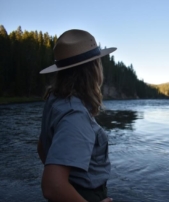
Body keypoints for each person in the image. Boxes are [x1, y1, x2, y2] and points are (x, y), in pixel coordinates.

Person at [37, 29, 116, 202]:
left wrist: (64, 175)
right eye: (98, 62)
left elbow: (42, 147)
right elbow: (52, 187)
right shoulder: (76, 115)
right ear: (94, 69)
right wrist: (65, 183)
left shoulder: (55, 100)